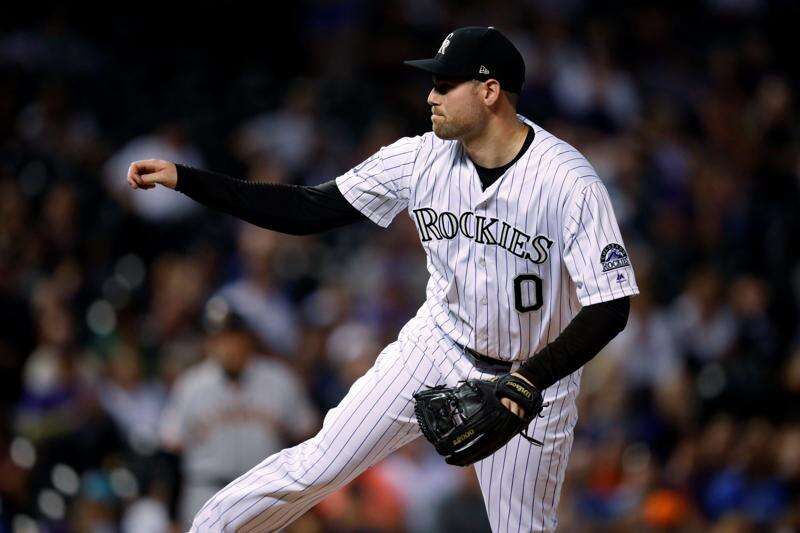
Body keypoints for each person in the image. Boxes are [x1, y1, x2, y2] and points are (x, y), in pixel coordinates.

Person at [128, 26, 638, 533]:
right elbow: (308, 209)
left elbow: (610, 306)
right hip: (436, 346)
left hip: (534, 374)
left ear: (489, 92)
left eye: (445, 85)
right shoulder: (419, 158)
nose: (430, 96)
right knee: (317, 465)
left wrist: (529, 381)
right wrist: (188, 179)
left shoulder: (567, 181)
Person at [159, 297, 317, 529]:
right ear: (209, 344)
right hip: (205, 493)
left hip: (265, 494)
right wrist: (172, 515)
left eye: (232, 338)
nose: (226, 346)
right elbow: (170, 451)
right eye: (219, 339)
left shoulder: (280, 380)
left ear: (248, 340)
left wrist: (307, 505)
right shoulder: (191, 385)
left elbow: (307, 438)